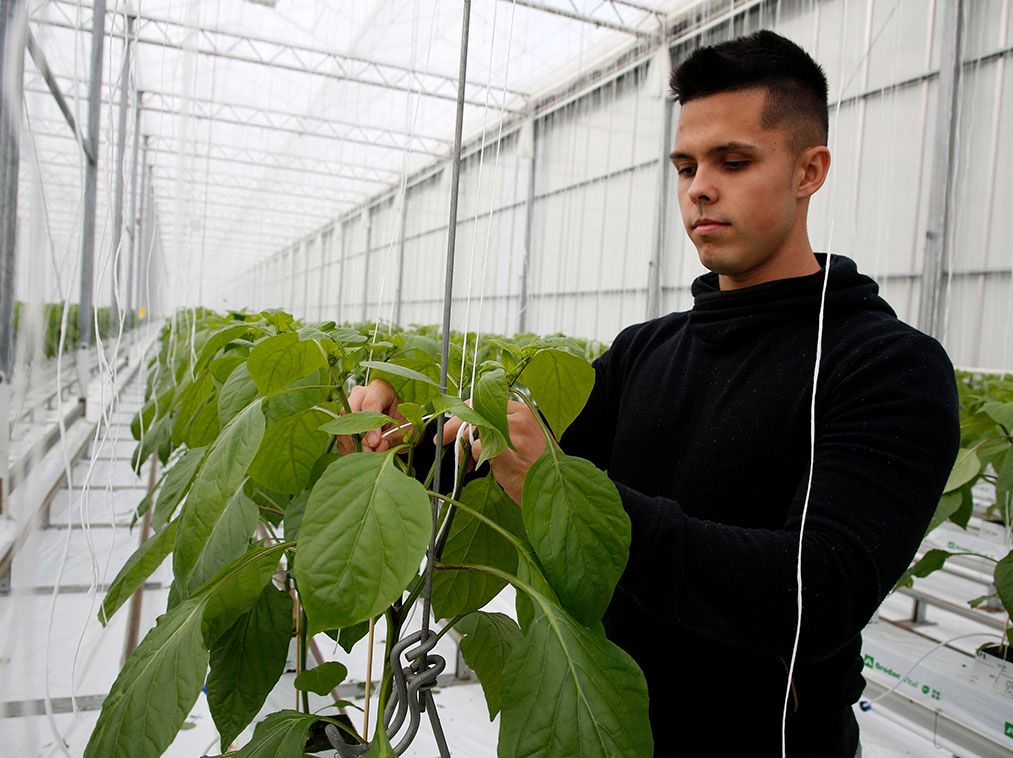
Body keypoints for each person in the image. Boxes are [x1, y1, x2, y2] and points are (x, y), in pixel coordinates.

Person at [346, 30, 959, 757]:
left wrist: (569, 493)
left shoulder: (887, 367)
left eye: (734, 162)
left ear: (809, 171)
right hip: (608, 726)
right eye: (686, 165)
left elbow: (819, 594)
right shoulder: (647, 350)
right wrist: (411, 436)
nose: (700, 186)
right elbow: (505, 465)